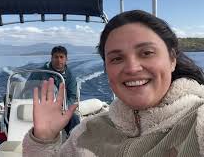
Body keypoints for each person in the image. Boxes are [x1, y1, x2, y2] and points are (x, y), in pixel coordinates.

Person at [22, 10, 204, 156]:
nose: (132, 68)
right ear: (106, 68)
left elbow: (70, 93)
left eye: (147, 52)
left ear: (172, 59)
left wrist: (67, 107)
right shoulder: (85, 134)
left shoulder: (198, 123)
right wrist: (43, 139)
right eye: (117, 58)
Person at [24, 46, 79, 136]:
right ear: (51, 58)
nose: (59, 60)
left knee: (74, 119)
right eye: (56, 57)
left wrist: (64, 109)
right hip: (41, 107)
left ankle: (73, 142)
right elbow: (27, 88)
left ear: (66, 59)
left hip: (60, 109)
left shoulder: (70, 76)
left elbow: (72, 96)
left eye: (61, 57)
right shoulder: (39, 72)